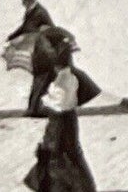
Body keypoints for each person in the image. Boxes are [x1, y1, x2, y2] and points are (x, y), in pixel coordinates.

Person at [24, 60, 100, 191]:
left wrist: (46, 147)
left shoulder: (62, 85)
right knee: (71, 158)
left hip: (58, 147)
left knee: (63, 164)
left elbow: (54, 133)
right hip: (65, 119)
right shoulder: (69, 78)